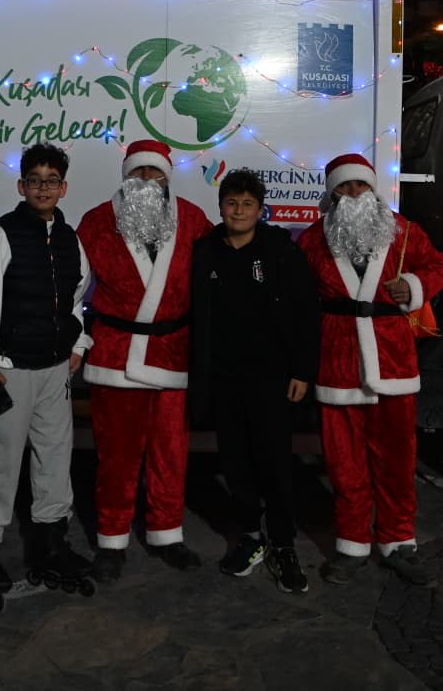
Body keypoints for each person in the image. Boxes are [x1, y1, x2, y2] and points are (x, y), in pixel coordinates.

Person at [298, 153, 443, 586]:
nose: (352, 194)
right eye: (344, 187)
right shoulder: (312, 240)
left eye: (360, 186)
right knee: (344, 462)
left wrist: (416, 287)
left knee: (397, 459)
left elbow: (438, 266)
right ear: (332, 194)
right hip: (338, 360)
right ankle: (351, 544)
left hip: (392, 358)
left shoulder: (402, 233)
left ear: (373, 189)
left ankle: (399, 541)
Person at [0, 143, 94, 606]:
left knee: (55, 462)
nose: (42, 187)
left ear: (63, 187)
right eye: (34, 180)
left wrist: (77, 345)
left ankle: (51, 547)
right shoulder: (3, 234)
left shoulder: (71, 239)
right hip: (10, 373)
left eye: (51, 180)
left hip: (55, 372)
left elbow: (75, 297)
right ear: (22, 186)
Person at [76, 139, 212, 581]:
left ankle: (166, 533)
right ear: (126, 176)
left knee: (171, 453)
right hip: (116, 356)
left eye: (155, 174)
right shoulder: (96, 222)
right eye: (139, 174)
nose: (148, 181)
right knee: (116, 456)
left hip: (173, 352)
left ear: (167, 177)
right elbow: (73, 291)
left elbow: (216, 283)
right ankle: (112, 539)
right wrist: (76, 342)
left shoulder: (192, 219)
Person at [189, 169, 320, 594]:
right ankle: (250, 537)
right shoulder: (205, 251)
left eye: (248, 204)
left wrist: (302, 370)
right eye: (232, 203)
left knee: (275, 464)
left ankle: (283, 543)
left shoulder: (281, 251)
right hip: (224, 378)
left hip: (272, 379)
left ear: (261, 210)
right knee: (235, 463)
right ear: (220, 207)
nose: (239, 211)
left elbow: (304, 314)